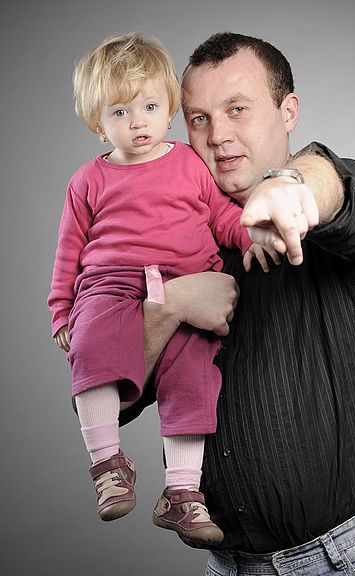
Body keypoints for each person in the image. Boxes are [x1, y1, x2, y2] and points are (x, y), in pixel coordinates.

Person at [127, 32, 355, 576]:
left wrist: (291, 188)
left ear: (288, 111)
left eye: (237, 109)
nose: (218, 135)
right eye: (199, 119)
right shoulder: (169, 248)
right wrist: (169, 307)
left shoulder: (335, 200)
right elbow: (115, 398)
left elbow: (338, 183)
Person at [47, 32, 277, 545]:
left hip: (186, 277)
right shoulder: (88, 180)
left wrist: (250, 234)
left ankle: (182, 494)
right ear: (97, 122)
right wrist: (62, 310)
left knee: (195, 380)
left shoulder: (190, 163)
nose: (139, 122)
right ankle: (108, 464)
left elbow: (220, 215)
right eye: (121, 112)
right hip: (110, 287)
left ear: (169, 107)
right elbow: (69, 251)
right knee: (90, 354)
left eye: (150, 106)